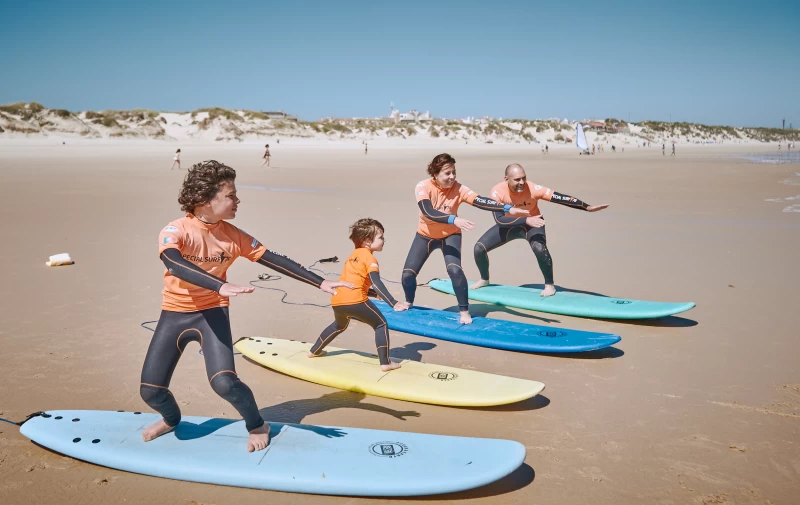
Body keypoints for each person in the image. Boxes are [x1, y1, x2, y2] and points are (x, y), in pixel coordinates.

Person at [140, 160, 352, 452]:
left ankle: (257, 424)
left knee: (225, 383)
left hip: (211, 313)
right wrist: (219, 284)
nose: (237, 200)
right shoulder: (175, 230)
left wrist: (320, 282)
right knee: (151, 392)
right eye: (231, 195)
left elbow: (274, 259)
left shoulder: (234, 235)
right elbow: (174, 263)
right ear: (204, 199)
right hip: (174, 313)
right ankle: (171, 419)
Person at [401, 153, 529, 324]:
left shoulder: (459, 189)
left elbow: (480, 201)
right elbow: (428, 212)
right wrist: (455, 219)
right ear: (435, 174)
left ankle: (464, 311)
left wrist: (507, 208)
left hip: (450, 236)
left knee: (455, 270)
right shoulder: (422, 187)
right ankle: (408, 302)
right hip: (425, 236)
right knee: (407, 275)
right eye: (447, 173)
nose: (452, 177)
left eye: (454, 172)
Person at [471, 164, 609, 297]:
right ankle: (484, 279)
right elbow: (500, 220)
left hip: (534, 223)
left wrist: (586, 207)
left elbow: (560, 197)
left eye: (524, 178)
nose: (522, 182)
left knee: (539, 248)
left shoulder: (533, 188)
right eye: (517, 179)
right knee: (479, 248)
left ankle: (549, 285)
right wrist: (525, 220)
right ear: (506, 179)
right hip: (509, 224)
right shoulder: (497, 192)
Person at [309, 219, 409, 371]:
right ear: (368, 242)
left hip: (337, 299)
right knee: (380, 324)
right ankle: (385, 363)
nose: (384, 240)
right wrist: (393, 302)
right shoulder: (370, 258)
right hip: (355, 300)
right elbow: (376, 282)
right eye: (381, 237)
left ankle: (314, 351)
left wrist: (374, 294)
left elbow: (354, 282)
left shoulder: (352, 256)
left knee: (338, 325)